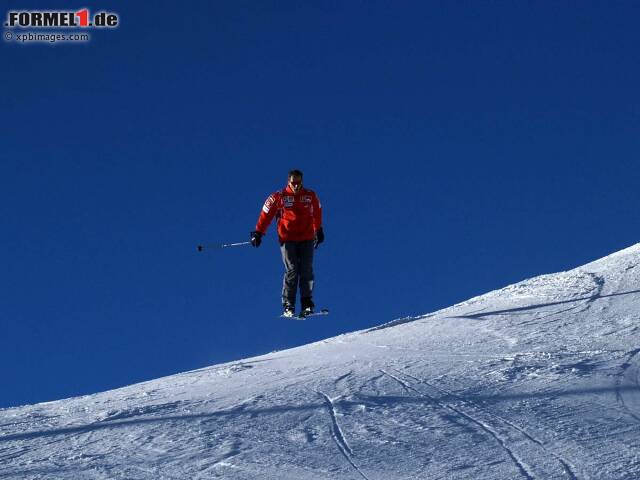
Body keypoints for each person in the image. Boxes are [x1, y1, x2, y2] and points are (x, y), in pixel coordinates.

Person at [251, 170, 325, 317]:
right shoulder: (279, 197)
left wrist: (318, 230)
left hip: (306, 238)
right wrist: (258, 232)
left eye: (299, 183)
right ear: (288, 182)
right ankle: (288, 304)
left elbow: (317, 211)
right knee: (292, 269)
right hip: (287, 239)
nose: (296, 186)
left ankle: (307, 303)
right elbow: (266, 214)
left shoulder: (310, 196)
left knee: (306, 270)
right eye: (293, 183)